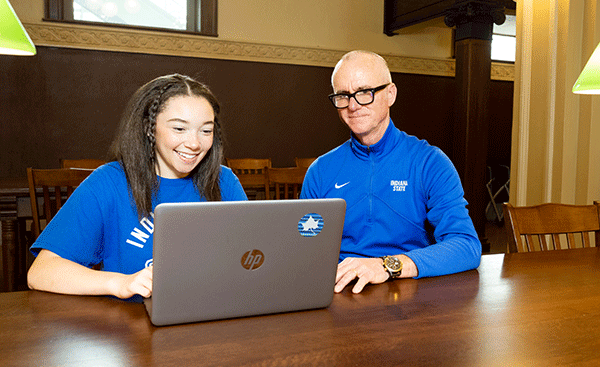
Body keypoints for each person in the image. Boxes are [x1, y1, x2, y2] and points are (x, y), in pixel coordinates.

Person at [28, 73, 247, 301]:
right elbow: (41, 272)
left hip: (210, 318)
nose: (194, 143)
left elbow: (253, 258)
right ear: (149, 128)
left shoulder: (224, 181)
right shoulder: (108, 183)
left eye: (206, 130)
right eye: (179, 129)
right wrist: (122, 282)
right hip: (131, 327)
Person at [300, 50, 482, 294]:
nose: (353, 105)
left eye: (365, 92)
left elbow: (466, 246)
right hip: (340, 293)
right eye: (343, 95)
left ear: (390, 94)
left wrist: (387, 266)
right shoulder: (320, 171)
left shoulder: (429, 162)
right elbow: (303, 248)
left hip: (408, 293)